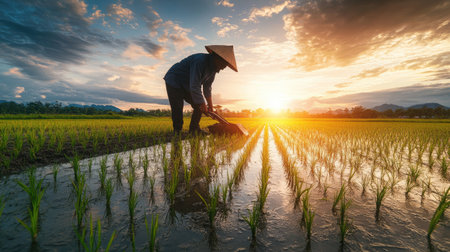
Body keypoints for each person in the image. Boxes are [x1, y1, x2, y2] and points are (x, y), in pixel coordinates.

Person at [163, 45, 238, 134]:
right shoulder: (200, 61)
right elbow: (194, 85)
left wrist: (210, 107)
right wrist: (202, 104)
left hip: (188, 84)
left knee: (199, 107)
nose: (223, 68)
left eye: (226, 65)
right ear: (217, 58)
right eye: (224, 64)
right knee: (178, 107)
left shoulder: (213, 69)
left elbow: (207, 88)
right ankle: (177, 131)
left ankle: (194, 129)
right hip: (174, 80)